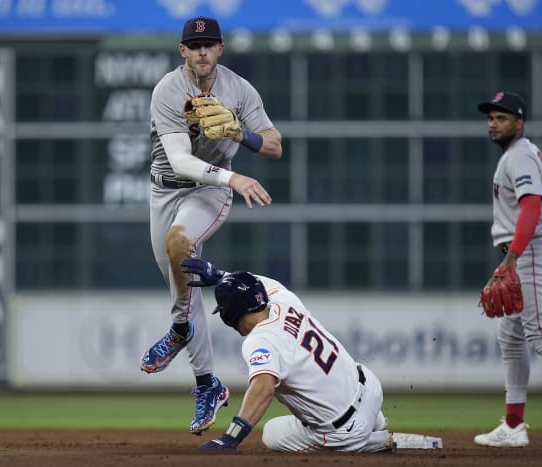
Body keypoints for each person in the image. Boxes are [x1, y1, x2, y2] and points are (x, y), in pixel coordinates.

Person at [140, 15, 283, 436]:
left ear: (220, 48)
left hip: (209, 194)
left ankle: (180, 329)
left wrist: (241, 133)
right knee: (183, 276)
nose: (203, 51)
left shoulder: (238, 89)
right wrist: (235, 177)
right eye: (194, 45)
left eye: (211, 44)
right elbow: (181, 160)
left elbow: (274, 145)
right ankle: (208, 384)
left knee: (179, 243)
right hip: (165, 190)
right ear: (182, 50)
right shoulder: (168, 89)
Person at [179, 257, 395, 453]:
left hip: (345, 430)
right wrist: (220, 276)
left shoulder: (260, 340)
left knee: (272, 434)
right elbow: (257, 282)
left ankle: (372, 441)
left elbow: (263, 389)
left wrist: (230, 438)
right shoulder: (285, 301)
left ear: (231, 314)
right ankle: (375, 424)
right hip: (370, 389)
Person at [474, 91, 542, 449]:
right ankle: (513, 424)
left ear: (519, 122)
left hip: (530, 252)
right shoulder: (523, 154)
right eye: (491, 117)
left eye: (502, 117)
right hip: (534, 249)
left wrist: (513, 258)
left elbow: (532, 207)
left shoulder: (519, 156)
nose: (494, 122)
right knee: (511, 338)